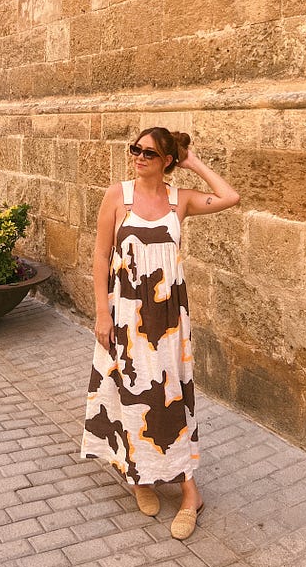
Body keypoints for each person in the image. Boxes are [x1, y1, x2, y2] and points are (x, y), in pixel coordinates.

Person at [80, 127, 240, 539]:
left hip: (169, 320)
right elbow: (100, 254)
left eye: (149, 152)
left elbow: (230, 197)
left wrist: (193, 163)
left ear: (167, 159)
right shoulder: (119, 196)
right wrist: (101, 313)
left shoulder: (179, 199)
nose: (138, 157)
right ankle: (141, 477)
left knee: (170, 397)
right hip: (125, 314)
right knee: (130, 395)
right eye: (135, 149)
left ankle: (190, 492)